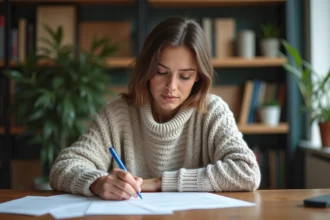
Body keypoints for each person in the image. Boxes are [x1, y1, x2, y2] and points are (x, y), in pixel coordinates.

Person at [50, 16, 261, 200]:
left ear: (198, 77)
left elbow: (248, 172)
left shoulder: (212, 111)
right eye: (161, 72)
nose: (171, 86)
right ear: (147, 69)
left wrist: (162, 183)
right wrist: (97, 183)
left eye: (185, 76)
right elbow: (64, 166)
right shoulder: (117, 114)